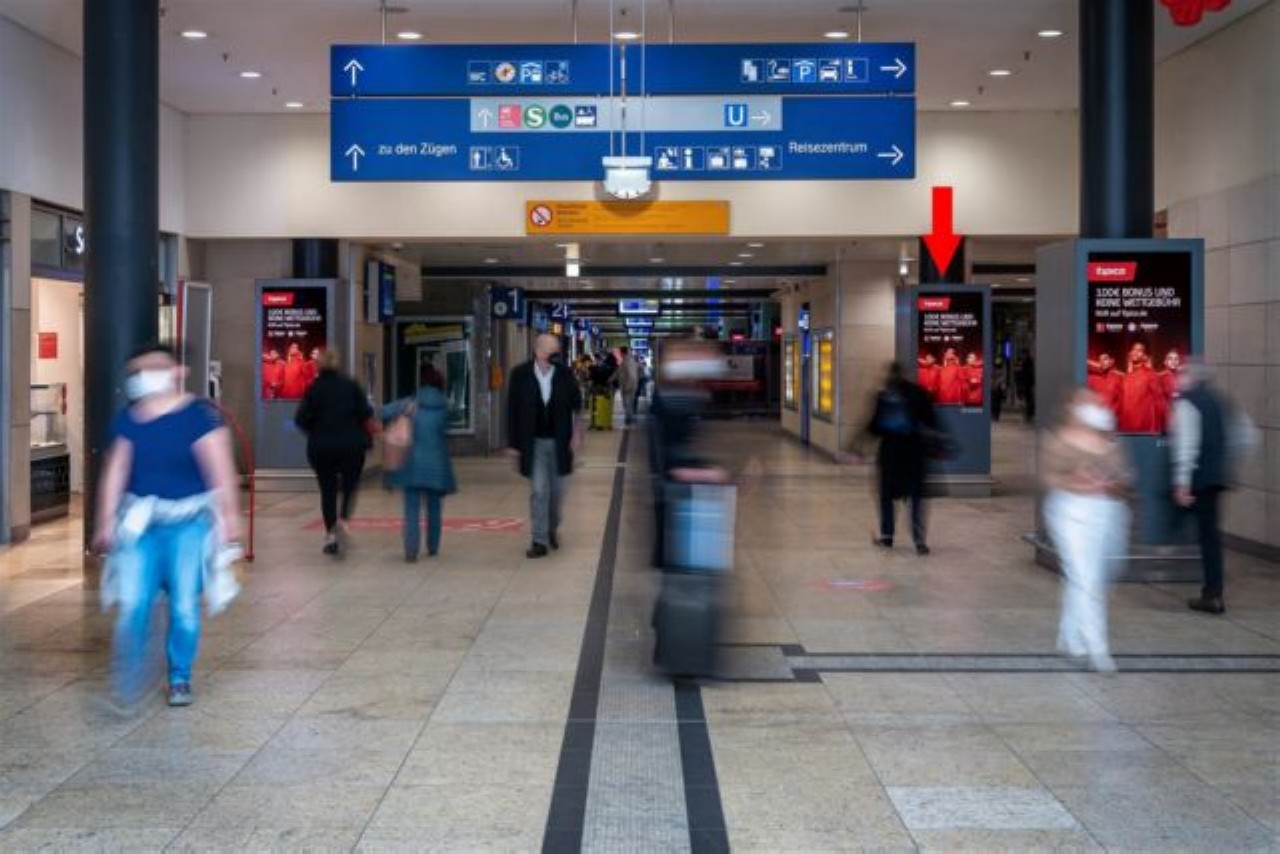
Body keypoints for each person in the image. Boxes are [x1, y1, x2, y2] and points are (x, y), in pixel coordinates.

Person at [93, 343, 242, 708]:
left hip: (189, 524)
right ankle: (128, 679)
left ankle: (179, 676)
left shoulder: (198, 416)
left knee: (184, 606)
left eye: (154, 367)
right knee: (134, 603)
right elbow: (116, 472)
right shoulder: (128, 420)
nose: (145, 376)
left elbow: (220, 469)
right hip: (141, 524)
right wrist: (105, 522)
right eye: (138, 370)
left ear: (178, 372)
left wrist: (230, 517)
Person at [1040, 388, 1132, 672]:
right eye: (1085, 403)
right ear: (1072, 409)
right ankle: (1097, 648)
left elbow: (1125, 479)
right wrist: (1079, 483)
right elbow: (1051, 478)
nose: (1093, 407)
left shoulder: (1109, 440)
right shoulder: (1059, 441)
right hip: (1070, 512)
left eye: (1095, 403)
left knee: (1088, 578)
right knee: (1085, 578)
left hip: (1106, 513)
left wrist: (1108, 484)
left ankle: (1069, 637)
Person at [507, 334, 583, 558]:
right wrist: (513, 444)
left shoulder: (564, 374)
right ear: (539, 350)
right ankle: (539, 540)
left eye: (557, 349)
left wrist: (577, 433)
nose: (556, 353)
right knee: (539, 491)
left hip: (560, 443)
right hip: (534, 443)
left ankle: (551, 527)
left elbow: (577, 405)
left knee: (557, 493)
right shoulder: (520, 374)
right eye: (552, 349)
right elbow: (512, 410)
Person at [1170, 361, 1233, 615]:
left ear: (1190, 378)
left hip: (1198, 478)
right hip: (1216, 476)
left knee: (1204, 535)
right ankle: (1213, 592)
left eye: (1181, 374)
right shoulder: (1218, 401)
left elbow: (1186, 444)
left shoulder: (1187, 403)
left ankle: (1212, 594)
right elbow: (1243, 435)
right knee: (1211, 536)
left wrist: (1182, 482)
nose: (1177, 378)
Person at [295, 350, 373, 556]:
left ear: (319, 365)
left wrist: (315, 430)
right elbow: (365, 413)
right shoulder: (351, 385)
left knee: (327, 490)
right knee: (349, 486)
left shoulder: (314, 388)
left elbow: (300, 419)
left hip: (322, 447)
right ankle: (343, 520)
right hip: (351, 445)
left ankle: (331, 536)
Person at [382, 365, 457, 562]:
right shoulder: (444, 408)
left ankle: (411, 550)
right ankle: (433, 547)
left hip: (411, 465)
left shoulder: (408, 403)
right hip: (436, 465)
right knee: (434, 508)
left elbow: (382, 412)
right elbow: (445, 434)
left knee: (411, 508)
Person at [866, 362, 938, 555]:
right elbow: (932, 422)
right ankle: (919, 540)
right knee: (916, 497)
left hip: (890, 454)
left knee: (886, 496)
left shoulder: (884, 396)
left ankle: (887, 536)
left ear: (889, 375)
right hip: (915, 454)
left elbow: (874, 427)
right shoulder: (919, 394)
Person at [1118, 342, 1160, 433]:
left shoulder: (1150, 374)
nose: (1135, 352)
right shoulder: (1125, 377)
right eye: (1133, 349)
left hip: (1144, 428)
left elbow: (1158, 402)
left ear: (1145, 356)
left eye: (1139, 350)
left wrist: (1154, 430)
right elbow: (1122, 404)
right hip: (1126, 428)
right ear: (1129, 353)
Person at [618, 346, 641, 425]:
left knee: (628, 403)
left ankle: (629, 419)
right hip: (630, 385)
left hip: (628, 386)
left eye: (620, 352)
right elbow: (619, 372)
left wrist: (628, 386)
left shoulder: (628, 361)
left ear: (622, 352)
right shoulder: (628, 360)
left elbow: (632, 376)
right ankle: (629, 418)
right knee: (629, 403)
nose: (619, 354)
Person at [1015, 349, 1036, 421]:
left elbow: (1028, 373)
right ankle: (1028, 414)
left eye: (1023, 354)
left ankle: (1029, 414)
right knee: (1027, 398)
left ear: (1026, 354)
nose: (1022, 356)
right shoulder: (1027, 362)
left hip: (1027, 383)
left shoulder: (1028, 362)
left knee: (1028, 399)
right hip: (1027, 383)